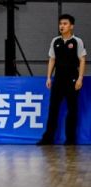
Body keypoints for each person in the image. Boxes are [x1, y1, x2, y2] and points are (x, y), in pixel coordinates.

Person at [37, 14, 86, 145]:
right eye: (60, 24)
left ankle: (70, 139)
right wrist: (49, 77)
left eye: (65, 24)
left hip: (72, 79)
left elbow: (82, 60)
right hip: (58, 79)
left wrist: (80, 78)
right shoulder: (55, 41)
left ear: (71, 26)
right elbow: (52, 59)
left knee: (72, 109)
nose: (62, 26)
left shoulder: (77, 41)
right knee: (53, 109)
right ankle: (48, 138)